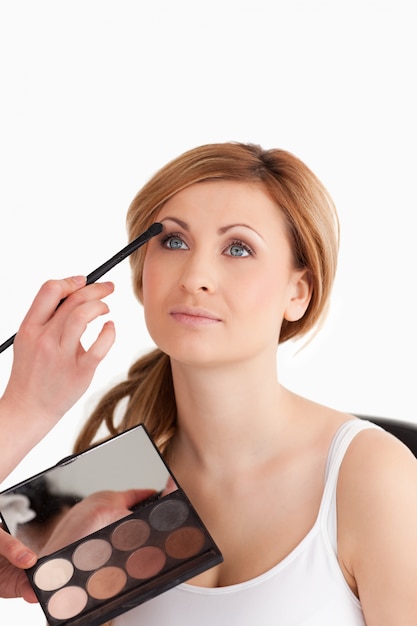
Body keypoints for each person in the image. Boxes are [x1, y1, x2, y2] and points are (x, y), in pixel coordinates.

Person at [1, 142, 417, 625]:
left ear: (297, 292)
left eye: (238, 248)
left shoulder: (371, 476)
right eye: (173, 242)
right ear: (141, 273)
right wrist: (26, 409)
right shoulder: (107, 488)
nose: (196, 275)